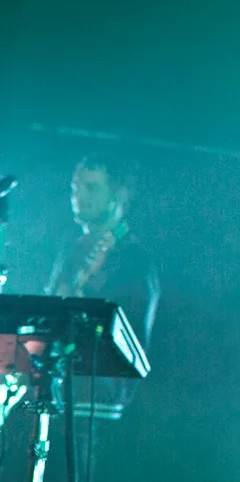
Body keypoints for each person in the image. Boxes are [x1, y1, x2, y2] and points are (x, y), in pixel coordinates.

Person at [43, 154, 159, 481]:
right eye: (76, 188)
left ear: (118, 195)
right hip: (60, 400)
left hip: (100, 412)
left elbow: (129, 342)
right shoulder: (71, 248)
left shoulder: (133, 258)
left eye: (92, 188)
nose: (79, 196)